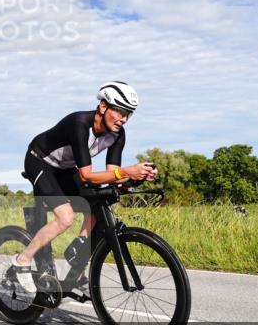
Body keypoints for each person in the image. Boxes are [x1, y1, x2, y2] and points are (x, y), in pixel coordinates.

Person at [10, 81, 157, 292]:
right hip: (40, 161)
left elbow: (112, 174)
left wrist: (137, 177)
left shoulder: (117, 134)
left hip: (65, 168)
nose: (124, 119)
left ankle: (78, 260)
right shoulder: (79, 123)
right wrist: (126, 171)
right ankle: (22, 260)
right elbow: (87, 174)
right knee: (65, 218)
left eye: (129, 114)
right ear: (103, 106)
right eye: (120, 111)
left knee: (98, 202)